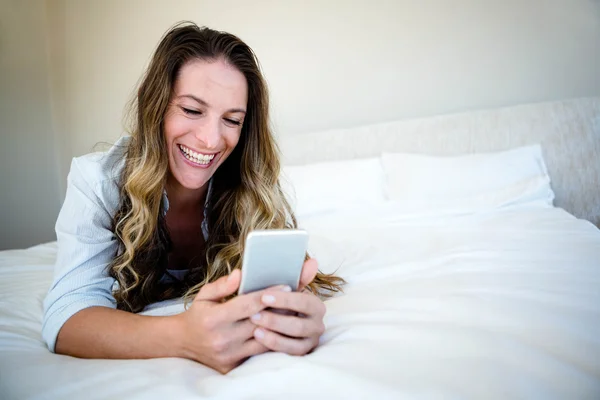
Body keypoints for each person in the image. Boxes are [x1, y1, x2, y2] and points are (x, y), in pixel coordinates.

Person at [42, 21, 344, 374]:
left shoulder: (251, 183)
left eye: (232, 120)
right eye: (191, 110)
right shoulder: (96, 179)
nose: (210, 140)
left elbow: (274, 292)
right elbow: (65, 318)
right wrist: (184, 336)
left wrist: (291, 314)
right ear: (153, 105)